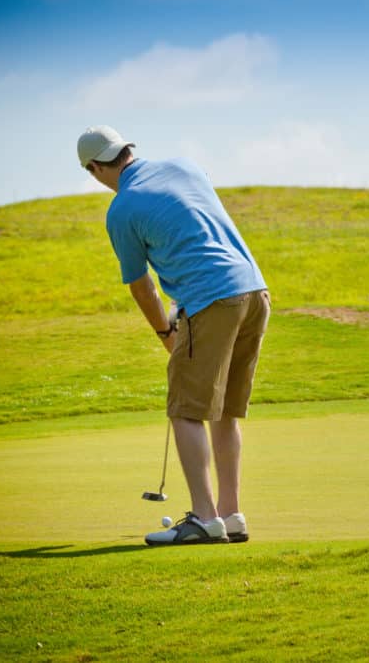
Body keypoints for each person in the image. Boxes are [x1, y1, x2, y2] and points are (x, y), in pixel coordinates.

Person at [77, 125, 270, 546]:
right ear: (128, 149)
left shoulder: (121, 209)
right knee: (223, 410)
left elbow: (141, 286)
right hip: (254, 291)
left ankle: (204, 518)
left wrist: (166, 331)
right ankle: (230, 513)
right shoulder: (185, 165)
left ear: (94, 169)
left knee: (185, 410)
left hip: (211, 298)